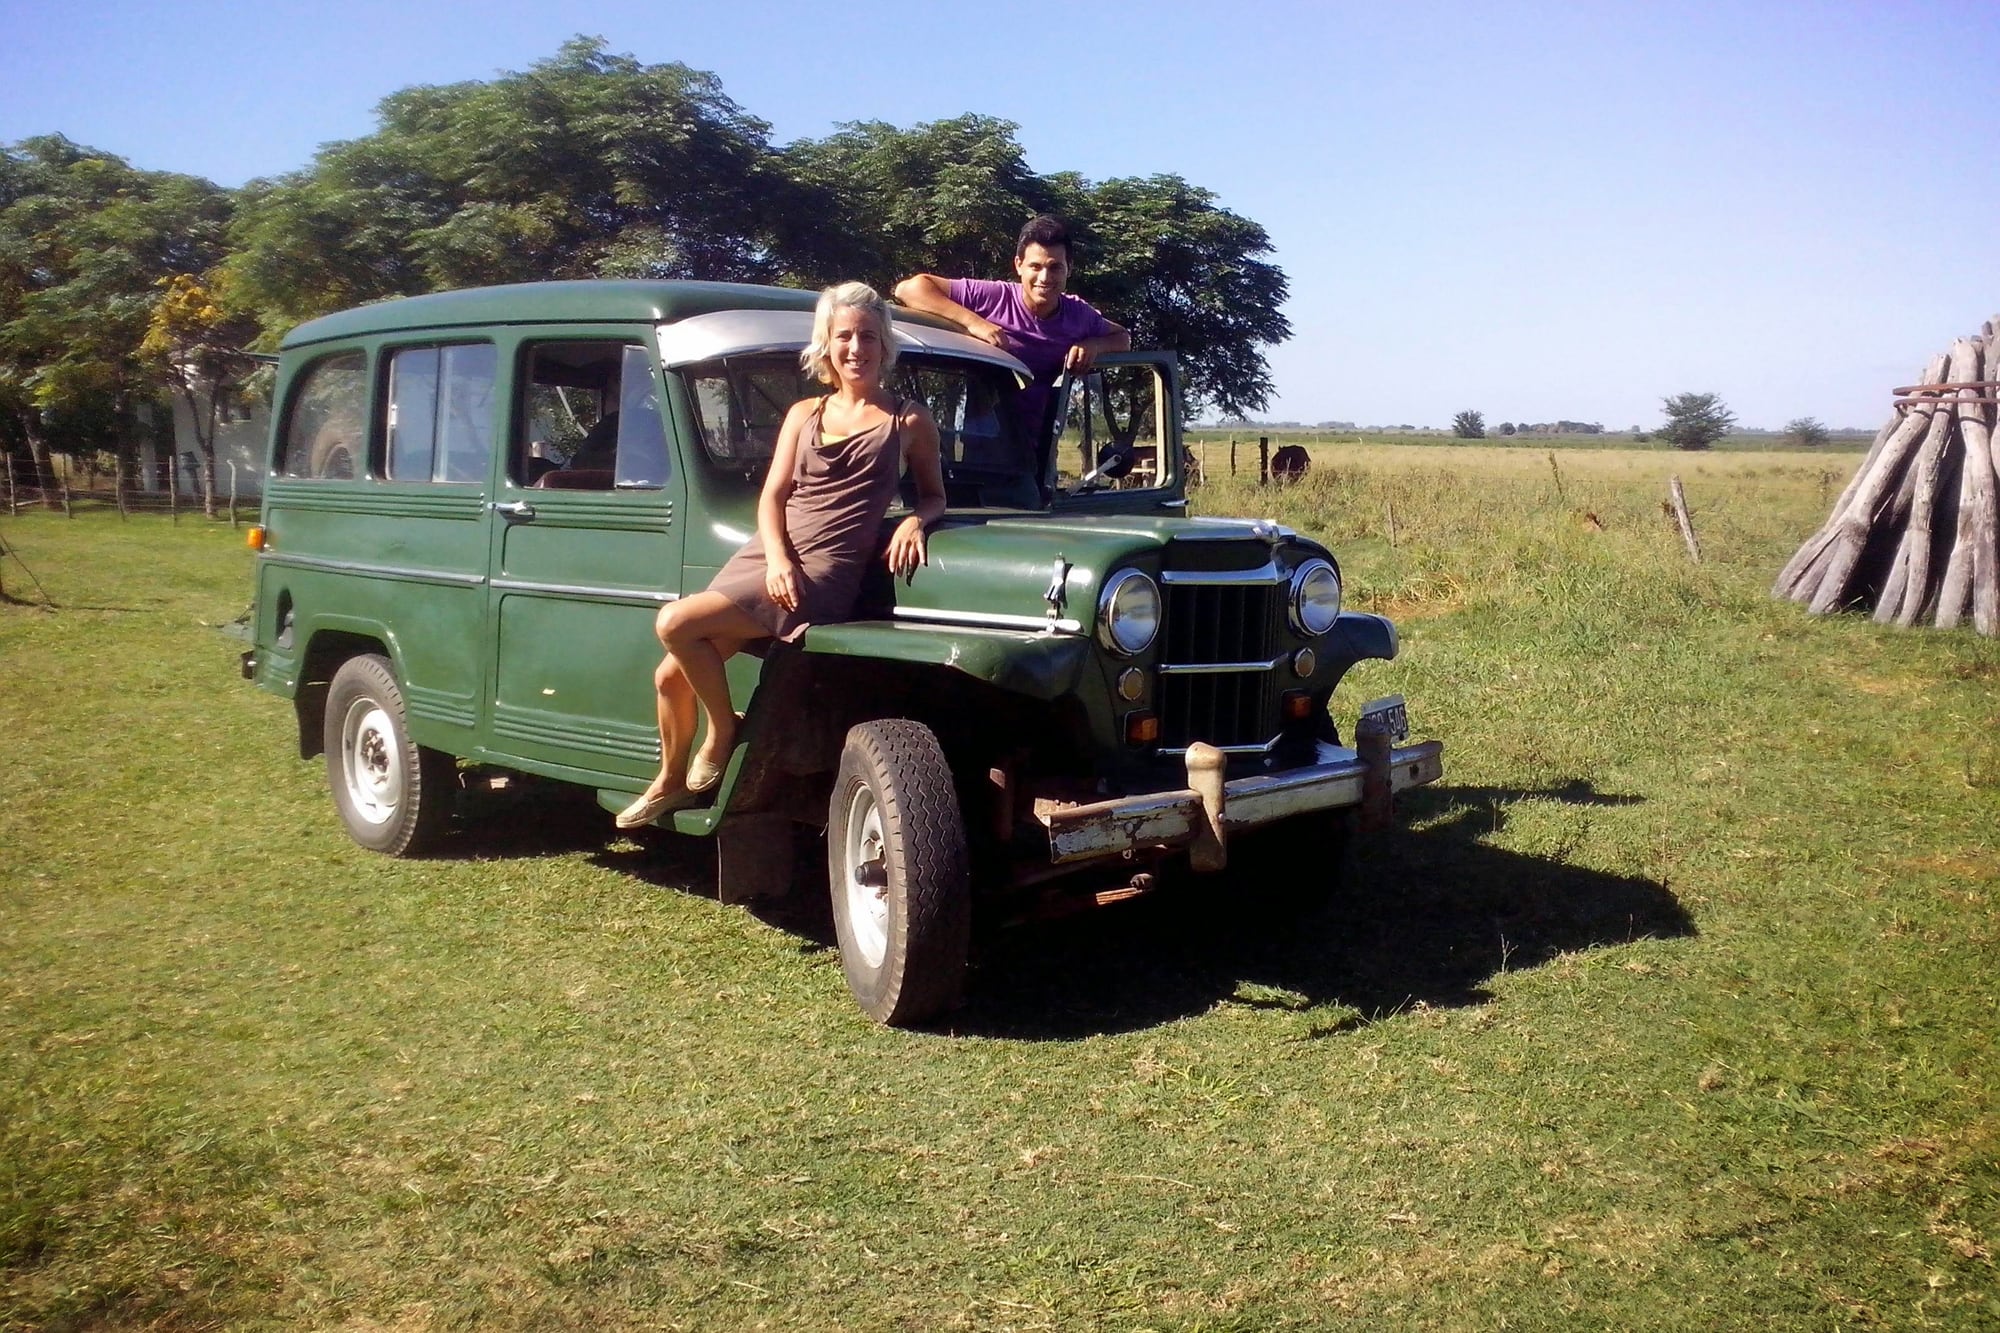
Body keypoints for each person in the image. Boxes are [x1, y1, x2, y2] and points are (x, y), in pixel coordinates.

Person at [617, 282, 946, 828]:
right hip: (772, 557)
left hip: (823, 572)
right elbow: (772, 497)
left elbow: (934, 494)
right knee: (669, 677)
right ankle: (669, 783)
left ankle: (723, 730)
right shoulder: (804, 414)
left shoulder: (908, 420)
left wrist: (916, 519)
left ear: (884, 344)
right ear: (827, 344)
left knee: (675, 622)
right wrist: (776, 559)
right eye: (844, 336)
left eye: (868, 336)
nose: (856, 348)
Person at [894, 215, 1130, 506]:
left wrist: (1093, 345)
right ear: (1018, 265)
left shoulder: (1078, 315)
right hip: (984, 455)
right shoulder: (993, 298)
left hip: (1040, 452)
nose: (1045, 277)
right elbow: (909, 289)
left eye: (1055, 267)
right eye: (1035, 266)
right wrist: (975, 323)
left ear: (1069, 268)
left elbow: (1122, 338)